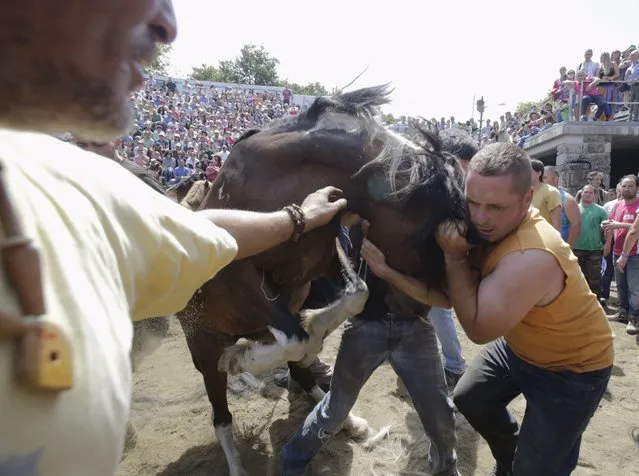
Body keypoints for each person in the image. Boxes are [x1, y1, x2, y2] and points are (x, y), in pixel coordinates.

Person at [0, 2, 346, 475]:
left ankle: (304, 370)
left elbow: (194, 232)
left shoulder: (67, 178)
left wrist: (298, 220)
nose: (167, 24)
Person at [437, 143, 613, 476]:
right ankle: (512, 460)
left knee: (538, 467)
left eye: (495, 207)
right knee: (472, 398)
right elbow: (452, 296)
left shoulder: (533, 254)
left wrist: (453, 257)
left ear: (527, 200)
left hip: (574, 369)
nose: (479, 218)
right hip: (522, 347)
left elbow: (477, 329)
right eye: (472, 202)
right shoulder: (497, 224)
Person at [279, 221, 460, 476]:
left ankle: (446, 468)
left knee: (440, 413)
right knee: (335, 410)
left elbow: (444, 297)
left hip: (414, 329)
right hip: (365, 328)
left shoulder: (430, 223)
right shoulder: (365, 214)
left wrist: (385, 271)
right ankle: (292, 461)